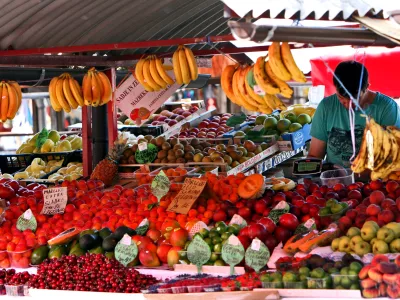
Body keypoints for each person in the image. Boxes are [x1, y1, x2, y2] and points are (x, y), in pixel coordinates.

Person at [309, 60, 400, 168]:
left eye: (355, 99)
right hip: (334, 180)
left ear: (366, 87)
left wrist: (352, 174)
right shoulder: (326, 107)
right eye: (341, 98)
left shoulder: (387, 108)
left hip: (373, 182)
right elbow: (315, 156)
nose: (348, 105)